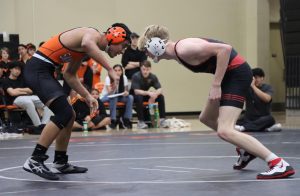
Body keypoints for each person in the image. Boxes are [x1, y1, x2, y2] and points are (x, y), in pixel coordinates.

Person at [137, 25, 295, 179]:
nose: (146, 55)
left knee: (225, 130)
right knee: (206, 118)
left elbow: (224, 49)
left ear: (155, 44)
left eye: (146, 50)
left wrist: (216, 84)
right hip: (231, 75)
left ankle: (278, 163)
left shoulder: (184, 49)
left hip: (236, 75)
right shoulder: (179, 52)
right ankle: (246, 149)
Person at [22, 23, 132, 180]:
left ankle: (60, 162)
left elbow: (69, 75)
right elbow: (87, 43)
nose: (123, 51)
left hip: (44, 71)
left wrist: (88, 96)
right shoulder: (91, 34)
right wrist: (109, 69)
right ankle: (35, 159)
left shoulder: (81, 51)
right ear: (115, 36)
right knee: (64, 112)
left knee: (70, 115)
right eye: (124, 45)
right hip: (37, 70)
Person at [3, 61, 52, 130]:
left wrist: (18, 89)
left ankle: (44, 124)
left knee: (49, 101)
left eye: (19, 69)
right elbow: (12, 93)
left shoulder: (22, 79)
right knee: (28, 102)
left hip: (28, 97)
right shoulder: (6, 81)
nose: (18, 71)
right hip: (15, 100)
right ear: (10, 69)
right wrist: (24, 91)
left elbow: (31, 90)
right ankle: (37, 125)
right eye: (16, 69)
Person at [235, 68, 282, 132]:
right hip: (249, 118)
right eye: (253, 79)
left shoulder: (267, 87)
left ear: (262, 78)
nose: (255, 81)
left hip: (262, 118)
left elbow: (267, 99)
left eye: (256, 78)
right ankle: (265, 128)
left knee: (270, 119)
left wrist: (253, 87)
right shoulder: (248, 88)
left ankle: (244, 128)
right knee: (235, 121)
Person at [131, 60, 168, 129]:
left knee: (161, 97)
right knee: (139, 97)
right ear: (140, 69)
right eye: (143, 69)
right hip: (134, 96)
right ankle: (140, 122)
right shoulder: (136, 76)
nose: (145, 71)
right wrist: (149, 93)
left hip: (144, 95)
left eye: (147, 69)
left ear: (150, 69)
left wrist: (154, 96)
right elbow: (136, 91)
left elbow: (160, 89)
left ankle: (162, 120)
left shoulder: (153, 77)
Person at [101, 64, 133, 129]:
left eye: (119, 70)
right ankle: (113, 120)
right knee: (113, 97)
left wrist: (126, 93)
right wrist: (115, 85)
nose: (117, 72)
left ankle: (126, 119)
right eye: (115, 70)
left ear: (122, 71)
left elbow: (126, 90)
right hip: (107, 96)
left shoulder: (124, 77)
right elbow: (110, 93)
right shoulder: (108, 78)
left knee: (130, 97)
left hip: (119, 96)